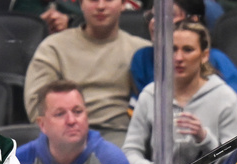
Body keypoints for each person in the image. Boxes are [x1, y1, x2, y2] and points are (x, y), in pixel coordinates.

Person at [123, 21, 237, 164]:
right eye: (172, 50)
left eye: (188, 50)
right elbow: (130, 151)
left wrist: (205, 139)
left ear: (204, 56)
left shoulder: (225, 98)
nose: (178, 58)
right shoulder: (150, 95)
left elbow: (236, 160)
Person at [24, 0, 150, 147]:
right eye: (93, 0)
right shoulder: (53, 48)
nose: (101, 6)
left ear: (123, 4)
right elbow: (36, 105)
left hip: (122, 136)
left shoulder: (142, 51)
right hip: (65, 134)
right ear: (81, 4)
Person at [129, 0, 237, 105]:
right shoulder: (142, 58)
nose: (156, 21)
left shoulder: (215, 58)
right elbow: (141, 113)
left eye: (168, 15)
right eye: (153, 15)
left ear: (192, 21)